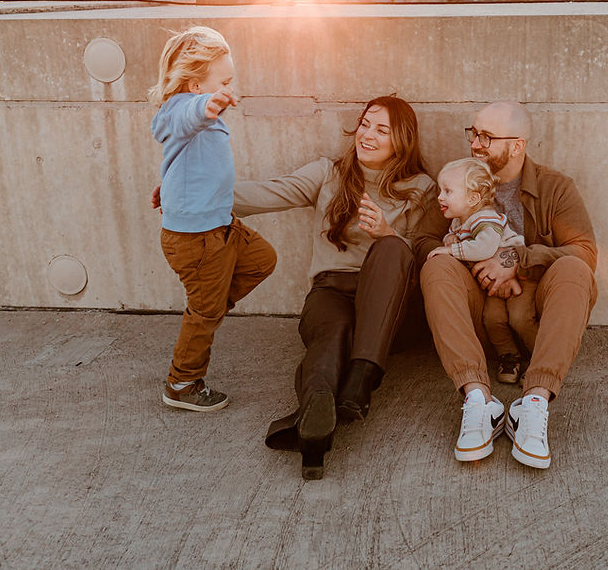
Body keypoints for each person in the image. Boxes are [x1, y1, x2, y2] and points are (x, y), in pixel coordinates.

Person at [229, 96, 445, 480]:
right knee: (331, 332)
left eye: (382, 129)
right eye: (365, 124)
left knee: (393, 248)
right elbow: (270, 192)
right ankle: (316, 412)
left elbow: (431, 250)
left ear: (402, 140)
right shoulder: (328, 174)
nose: (368, 135)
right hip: (332, 290)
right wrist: (191, 197)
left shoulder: (421, 188)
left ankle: (360, 381)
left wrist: (387, 233)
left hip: (391, 310)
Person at [420, 101, 597, 469]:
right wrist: (470, 262)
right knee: (434, 266)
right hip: (477, 319)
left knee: (575, 270)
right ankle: (478, 399)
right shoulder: (457, 180)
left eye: (487, 137)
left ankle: (533, 404)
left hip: (533, 320)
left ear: (517, 145)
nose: (476, 144)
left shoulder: (555, 187)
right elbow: (422, 240)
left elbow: (584, 251)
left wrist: (515, 260)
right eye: (473, 134)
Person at [148, 26, 277, 413]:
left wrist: (170, 187)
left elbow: (189, 159)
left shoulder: (205, 115)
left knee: (262, 260)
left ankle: (209, 308)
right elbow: (176, 123)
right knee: (204, 311)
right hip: (197, 237)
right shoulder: (181, 110)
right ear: (193, 83)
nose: (229, 88)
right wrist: (204, 106)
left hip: (220, 225)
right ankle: (182, 382)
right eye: (223, 81)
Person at [426, 157, 532, 385]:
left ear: (473, 198)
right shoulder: (459, 221)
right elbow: (457, 236)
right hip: (491, 283)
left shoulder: (485, 219)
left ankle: (537, 356)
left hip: (517, 279)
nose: (440, 197)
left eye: (447, 191)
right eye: (439, 190)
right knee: (492, 318)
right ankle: (509, 357)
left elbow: (485, 247)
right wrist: (450, 238)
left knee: (521, 318)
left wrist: (452, 250)